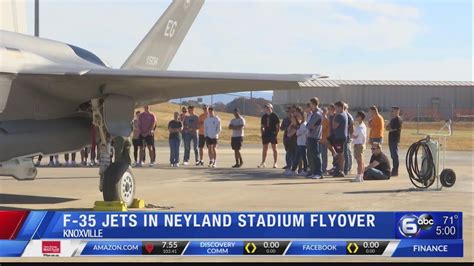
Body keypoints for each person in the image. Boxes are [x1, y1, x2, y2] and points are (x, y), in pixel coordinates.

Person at [306, 97, 323, 179]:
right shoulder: (313, 113)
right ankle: (314, 172)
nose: (309, 105)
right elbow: (308, 124)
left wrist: (309, 125)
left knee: (316, 155)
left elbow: (310, 125)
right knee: (312, 155)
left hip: (314, 136)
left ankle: (319, 173)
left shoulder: (317, 114)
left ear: (313, 104)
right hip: (311, 136)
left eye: (310, 104)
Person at [258, 103, 280, 168]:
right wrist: (262, 133)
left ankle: (275, 163)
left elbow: (278, 126)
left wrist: (276, 133)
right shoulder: (264, 116)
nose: (267, 109)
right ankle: (263, 162)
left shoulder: (275, 115)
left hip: (272, 133)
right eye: (265, 108)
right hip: (266, 133)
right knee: (265, 148)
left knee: (274, 148)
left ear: (271, 108)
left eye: (268, 107)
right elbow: (262, 126)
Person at [331, 101, 348, 177]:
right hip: (342, 136)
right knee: (340, 153)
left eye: (336, 108)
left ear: (340, 107)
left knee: (340, 154)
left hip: (339, 137)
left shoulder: (339, 116)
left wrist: (334, 117)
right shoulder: (345, 114)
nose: (335, 109)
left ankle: (341, 170)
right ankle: (340, 169)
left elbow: (334, 126)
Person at [351, 111, 367, 182]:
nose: (356, 117)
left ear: (360, 117)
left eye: (357, 116)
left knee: (359, 161)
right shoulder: (359, 125)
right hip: (358, 144)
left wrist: (354, 135)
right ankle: (360, 176)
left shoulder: (361, 127)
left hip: (359, 145)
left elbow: (359, 135)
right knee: (360, 161)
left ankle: (359, 176)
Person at [386, 106, 402, 176]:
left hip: (394, 139)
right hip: (391, 139)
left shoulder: (398, 120)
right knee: (393, 155)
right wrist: (388, 127)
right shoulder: (393, 120)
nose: (391, 112)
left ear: (397, 111)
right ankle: (394, 170)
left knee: (395, 155)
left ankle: (395, 171)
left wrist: (389, 127)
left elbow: (392, 128)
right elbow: (387, 128)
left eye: (393, 111)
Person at [292, 109, 308, 176]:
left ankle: (305, 170)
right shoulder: (301, 124)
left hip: (303, 144)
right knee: (297, 157)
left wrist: (298, 130)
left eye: (299, 116)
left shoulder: (304, 125)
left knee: (304, 158)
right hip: (300, 143)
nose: (298, 117)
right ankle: (293, 170)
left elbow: (298, 133)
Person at [343, 103, 354, 175]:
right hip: (346, 136)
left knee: (347, 152)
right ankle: (348, 167)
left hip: (347, 136)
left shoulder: (348, 116)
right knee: (347, 152)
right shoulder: (346, 115)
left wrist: (350, 135)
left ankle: (347, 168)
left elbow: (351, 126)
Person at [320, 107, 330, 175]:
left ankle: (324, 168)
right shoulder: (321, 119)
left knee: (324, 155)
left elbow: (322, 129)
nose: (322, 113)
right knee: (320, 154)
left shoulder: (326, 120)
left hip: (324, 140)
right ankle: (321, 167)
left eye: (324, 111)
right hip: (320, 140)